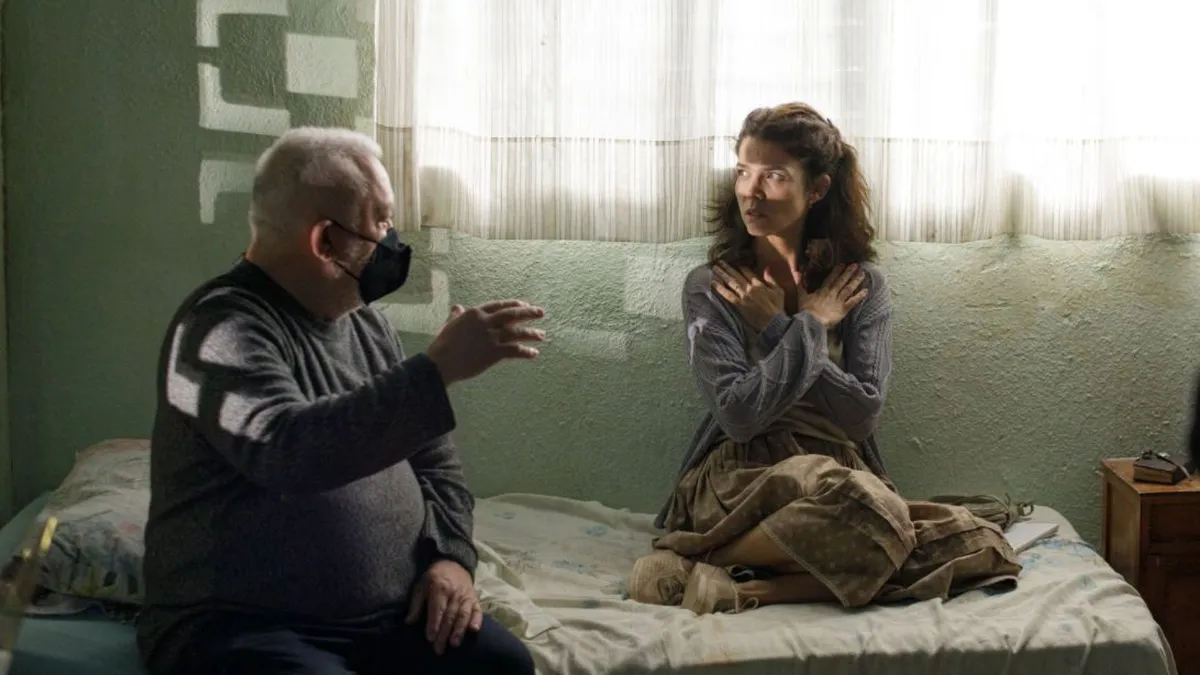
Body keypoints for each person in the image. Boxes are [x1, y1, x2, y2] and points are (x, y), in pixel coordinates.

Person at [138, 128, 540, 675]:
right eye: (380, 222)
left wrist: (450, 557)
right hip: (239, 625)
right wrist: (436, 371)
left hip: (386, 619)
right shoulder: (218, 330)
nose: (392, 239)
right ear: (325, 241)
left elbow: (435, 462)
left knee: (504, 665)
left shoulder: (367, 325)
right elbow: (289, 452)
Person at [629, 103, 1021, 614]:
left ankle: (733, 579)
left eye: (773, 176)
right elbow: (739, 415)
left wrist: (781, 327)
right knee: (882, 526)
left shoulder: (860, 286)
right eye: (743, 171)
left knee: (980, 544)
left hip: (839, 480)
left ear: (817, 189)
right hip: (741, 477)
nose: (750, 191)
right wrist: (808, 325)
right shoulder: (714, 286)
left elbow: (861, 415)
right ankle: (727, 551)